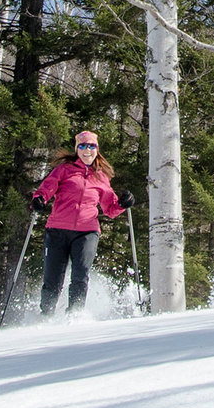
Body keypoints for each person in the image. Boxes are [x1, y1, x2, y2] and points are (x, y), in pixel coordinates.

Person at [30, 131, 135, 315]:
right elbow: (46, 188)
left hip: (86, 232)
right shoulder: (64, 170)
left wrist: (122, 204)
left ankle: (75, 314)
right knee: (53, 279)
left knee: (80, 274)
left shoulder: (101, 177)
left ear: (97, 150)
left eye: (92, 146)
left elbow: (110, 209)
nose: (88, 150)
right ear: (77, 149)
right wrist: (39, 199)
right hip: (57, 230)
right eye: (83, 146)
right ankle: (45, 316)